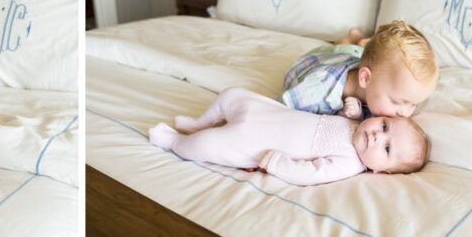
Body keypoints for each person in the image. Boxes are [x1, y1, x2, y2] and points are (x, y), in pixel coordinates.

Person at [150, 87, 429, 186]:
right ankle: (200, 122)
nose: (378, 138)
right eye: (383, 127)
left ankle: (175, 141)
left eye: (387, 149)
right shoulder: (357, 126)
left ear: (381, 171)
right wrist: (351, 110)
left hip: (258, 144)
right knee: (232, 95)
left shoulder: (350, 163)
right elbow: (339, 121)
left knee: (206, 146)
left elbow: (311, 173)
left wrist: (277, 164)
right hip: (270, 114)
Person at [282, 21, 439, 120]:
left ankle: (361, 41)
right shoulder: (315, 92)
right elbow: (276, 112)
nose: (405, 113)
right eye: (397, 102)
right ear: (365, 78)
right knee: (344, 50)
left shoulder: (376, 90)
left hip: (351, 61)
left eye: (414, 105)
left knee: (364, 56)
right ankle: (352, 39)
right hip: (320, 60)